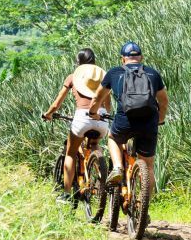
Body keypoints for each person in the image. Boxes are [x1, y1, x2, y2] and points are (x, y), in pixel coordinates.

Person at [87, 41, 169, 191]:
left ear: (122, 59)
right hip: (149, 122)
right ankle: (145, 211)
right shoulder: (153, 73)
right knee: (149, 167)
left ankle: (118, 167)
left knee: (113, 137)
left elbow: (97, 98)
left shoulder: (114, 73)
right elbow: (163, 101)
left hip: (125, 120)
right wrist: (160, 119)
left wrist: (93, 112)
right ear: (141, 57)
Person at [42, 48, 109, 196]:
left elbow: (56, 104)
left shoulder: (73, 77)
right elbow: (108, 105)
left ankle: (66, 193)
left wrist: (48, 114)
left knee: (70, 153)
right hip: (102, 118)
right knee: (95, 144)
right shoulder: (103, 79)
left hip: (82, 118)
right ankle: (101, 176)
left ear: (78, 63)